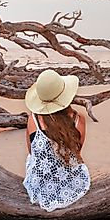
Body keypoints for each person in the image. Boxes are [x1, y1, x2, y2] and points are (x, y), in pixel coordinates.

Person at [23, 69, 90, 211]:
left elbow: (31, 151)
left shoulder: (33, 119)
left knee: (31, 158)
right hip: (69, 183)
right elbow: (77, 151)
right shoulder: (79, 120)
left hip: (40, 185)